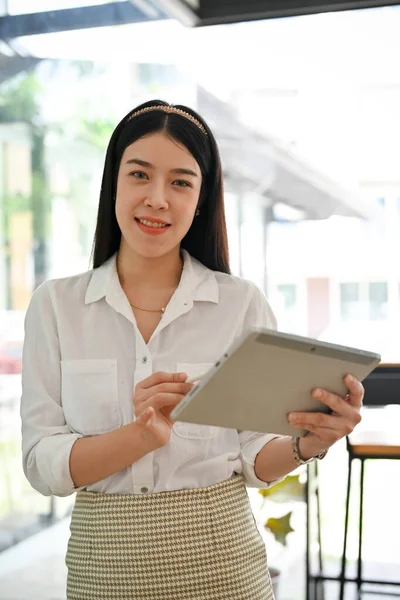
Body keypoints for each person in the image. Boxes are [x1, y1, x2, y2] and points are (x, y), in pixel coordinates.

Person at [20, 100, 364, 600]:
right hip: (103, 575)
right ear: (113, 183)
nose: (158, 198)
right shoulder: (57, 306)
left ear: (201, 199)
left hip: (225, 569)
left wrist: (309, 443)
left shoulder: (241, 304)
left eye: (181, 181)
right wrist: (138, 437)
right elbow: (41, 463)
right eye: (140, 174)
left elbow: (251, 458)